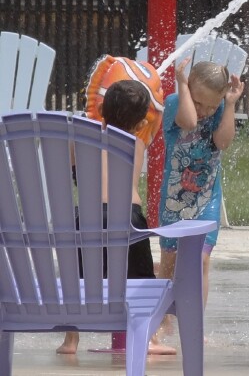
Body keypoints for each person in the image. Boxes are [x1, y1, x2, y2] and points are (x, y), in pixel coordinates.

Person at [57, 81, 175, 356]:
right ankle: (149, 339)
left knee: (80, 278)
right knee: (139, 277)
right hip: (127, 219)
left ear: (100, 108)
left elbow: (74, 171)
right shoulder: (137, 144)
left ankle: (70, 340)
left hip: (85, 219)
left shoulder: (79, 140)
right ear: (141, 122)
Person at [157, 60, 244, 318]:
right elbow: (190, 122)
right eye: (199, 102)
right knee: (170, 263)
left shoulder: (219, 110)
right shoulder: (175, 103)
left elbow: (223, 142)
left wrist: (228, 104)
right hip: (174, 198)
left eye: (211, 105)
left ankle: (195, 323)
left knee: (202, 261)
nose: (205, 111)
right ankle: (163, 321)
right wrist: (182, 85)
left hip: (206, 199)